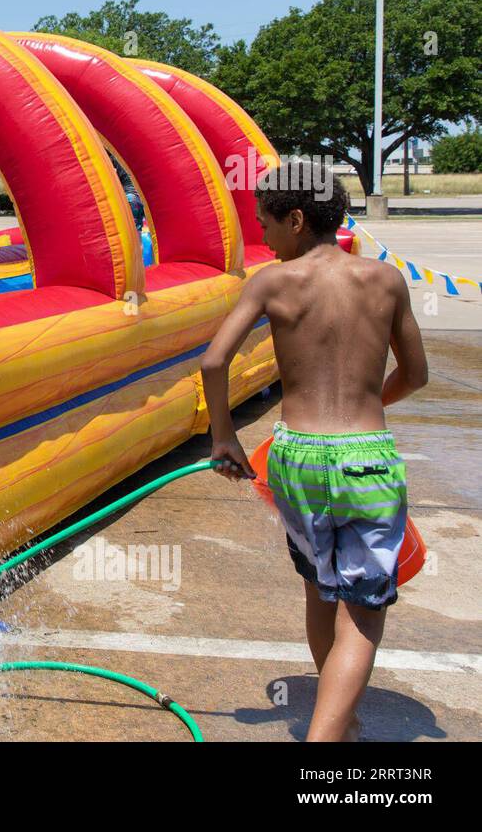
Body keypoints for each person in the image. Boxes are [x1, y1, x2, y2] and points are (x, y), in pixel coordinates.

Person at [200, 161, 428, 742]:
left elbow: (213, 361)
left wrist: (224, 436)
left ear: (296, 219)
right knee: (365, 612)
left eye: (266, 226)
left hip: (294, 456)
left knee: (319, 586)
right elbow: (417, 374)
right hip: (365, 459)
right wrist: (367, 401)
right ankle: (327, 743)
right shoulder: (384, 280)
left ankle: (342, 722)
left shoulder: (274, 283)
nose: (265, 239)